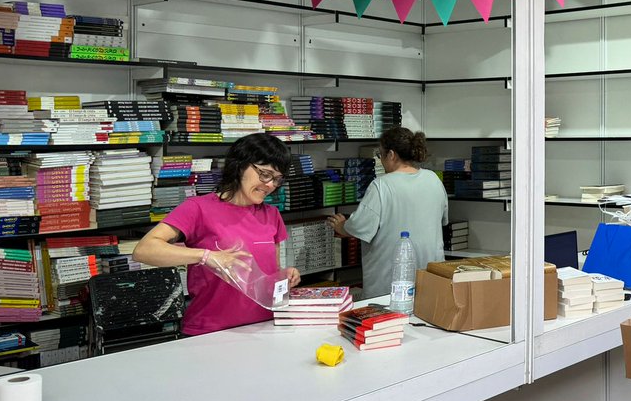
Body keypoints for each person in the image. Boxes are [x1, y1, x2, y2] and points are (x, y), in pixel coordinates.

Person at [133, 133, 301, 336]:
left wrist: (285, 276)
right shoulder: (197, 208)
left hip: (263, 328)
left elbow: (268, 275)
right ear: (240, 166)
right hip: (209, 331)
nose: (270, 185)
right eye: (265, 174)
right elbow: (144, 250)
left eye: (277, 179)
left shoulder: (271, 214)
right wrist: (207, 256)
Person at [329, 127, 448, 299]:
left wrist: (341, 226)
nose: (381, 160)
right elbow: (442, 220)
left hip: (390, 284)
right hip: (431, 278)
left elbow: (360, 227)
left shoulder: (382, 185)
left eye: (380, 155)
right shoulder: (433, 179)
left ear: (391, 155)